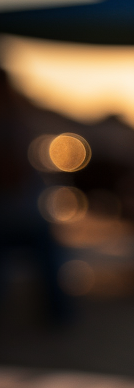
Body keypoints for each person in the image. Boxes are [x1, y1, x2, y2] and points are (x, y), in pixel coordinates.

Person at [0, 68, 73, 324]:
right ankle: (59, 316)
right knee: (49, 254)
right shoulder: (14, 126)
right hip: (15, 219)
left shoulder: (16, 125)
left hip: (19, 218)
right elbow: (16, 177)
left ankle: (59, 315)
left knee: (50, 252)